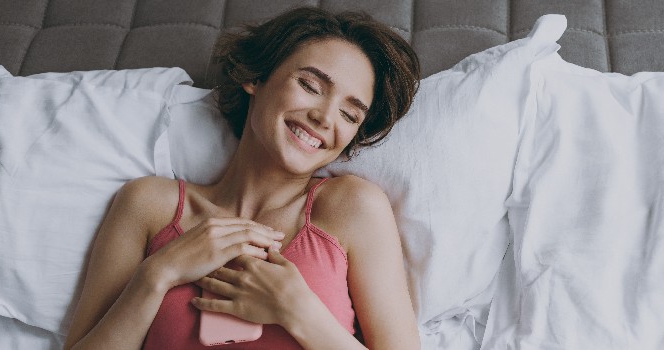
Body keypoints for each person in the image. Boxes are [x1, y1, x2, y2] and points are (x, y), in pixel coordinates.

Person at [63, 6, 421, 350]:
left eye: (349, 115)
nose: (326, 118)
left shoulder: (353, 207)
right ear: (255, 77)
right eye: (310, 86)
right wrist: (159, 274)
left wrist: (300, 313)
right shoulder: (149, 205)